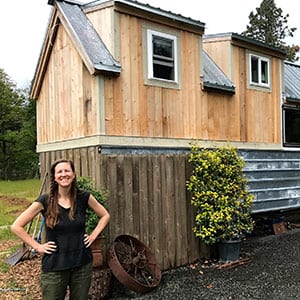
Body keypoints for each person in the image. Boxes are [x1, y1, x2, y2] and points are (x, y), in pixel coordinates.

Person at [11, 158, 110, 300]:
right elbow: (16, 226)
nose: (64, 174)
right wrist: (37, 246)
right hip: (55, 266)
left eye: (67, 171)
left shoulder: (84, 197)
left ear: (74, 174)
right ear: (55, 177)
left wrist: (93, 236)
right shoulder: (45, 201)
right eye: (60, 172)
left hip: (81, 264)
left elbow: (105, 215)